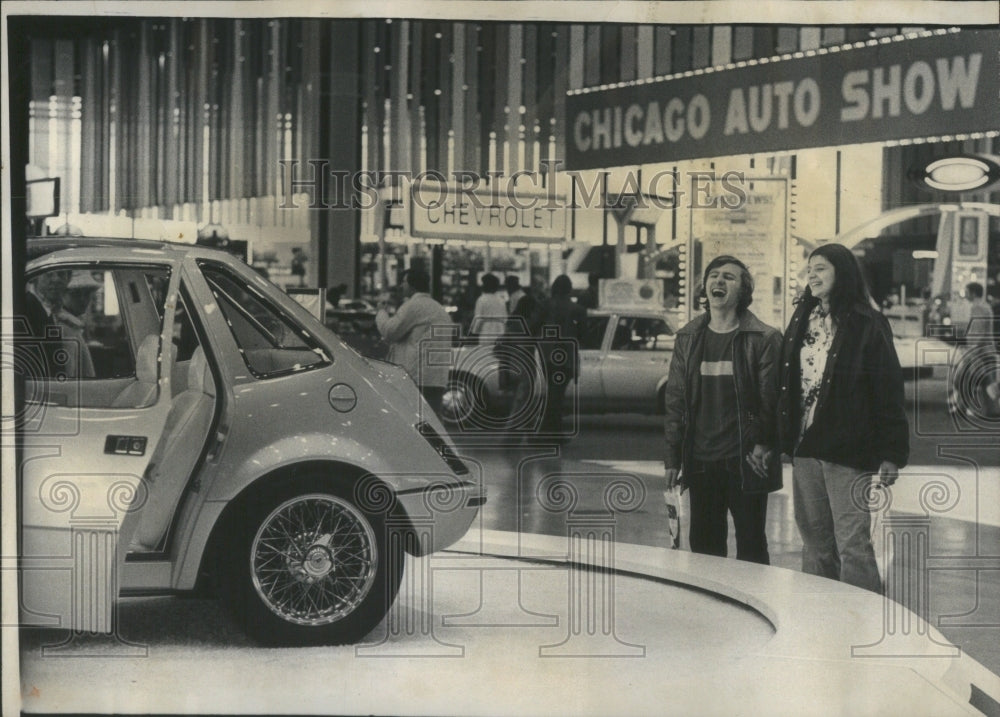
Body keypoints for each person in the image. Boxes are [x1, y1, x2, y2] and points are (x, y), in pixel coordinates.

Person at [777, 243, 909, 594]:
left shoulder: (868, 322)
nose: (812, 275)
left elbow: (888, 388)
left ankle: (863, 623)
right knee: (815, 544)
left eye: (821, 268)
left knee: (852, 543)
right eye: (810, 269)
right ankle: (821, 622)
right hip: (806, 444)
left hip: (848, 447)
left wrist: (892, 453)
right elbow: (789, 381)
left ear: (843, 273)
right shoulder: (802, 317)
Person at [662, 255, 782, 565]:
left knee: (752, 545)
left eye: (729, 277)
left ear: (743, 290)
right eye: (714, 275)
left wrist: (763, 444)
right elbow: (676, 400)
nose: (718, 281)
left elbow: (772, 400)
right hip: (700, 460)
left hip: (745, 460)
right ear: (705, 287)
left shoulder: (764, 338)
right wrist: (673, 456)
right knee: (703, 547)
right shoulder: (688, 338)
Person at [375, 268, 453, 417]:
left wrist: (381, 312)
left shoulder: (413, 306)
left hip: (416, 377)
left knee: (411, 421)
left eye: (404, 282)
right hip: (437, 377)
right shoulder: (439, 309)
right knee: (431, 424)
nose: (401, 286)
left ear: (411, 285)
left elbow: (389, 331)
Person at [534, 274, 586, 435]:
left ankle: (549, 430)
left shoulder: (545, 306)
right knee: (558, 393)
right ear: (569, 289)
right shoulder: (578, 310)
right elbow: (583, 333)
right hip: (567, 355)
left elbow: (533, 325)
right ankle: (551, 431)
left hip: (548, 353)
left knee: (553, 391)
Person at [25, 268, 96, 378]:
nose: (56, 279)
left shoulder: (49, 313)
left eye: (61, 274)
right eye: (48, 274)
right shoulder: (26, 310)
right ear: (35, 278)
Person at [472, 272, 508, 343]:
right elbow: (505, 319)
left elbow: (478, 320)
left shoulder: (481, 300)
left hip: (486, 335)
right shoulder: (501, 300)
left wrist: (473, 333)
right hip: (500, 336)